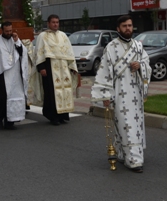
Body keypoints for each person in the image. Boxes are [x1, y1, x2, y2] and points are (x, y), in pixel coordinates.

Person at [92, 15, 151, 172]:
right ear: (118, 28)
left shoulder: (138, 46)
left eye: (130, 25)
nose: (128, 28)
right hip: (119, 93)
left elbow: (147, 64)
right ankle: (134, 160)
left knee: (134, 125)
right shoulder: (111, 47)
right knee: (125, 124)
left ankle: (123, 153)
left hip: (136, 94)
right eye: (124, 26)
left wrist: (141, 66)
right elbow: (104, 71)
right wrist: (105, 94)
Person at [0, 21, 29, 130]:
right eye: (7, 31)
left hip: (15, 76)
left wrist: (17, 41)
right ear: (2, 30)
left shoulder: (15, 40)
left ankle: (10, 122)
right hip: (1, 75)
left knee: (14, 98)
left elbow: (23, 53)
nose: (9, 33)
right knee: (2, 99)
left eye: (10, 31)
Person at [35, 14, 78, 125]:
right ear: (48, 23)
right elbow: (39, 52)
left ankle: (63, 116)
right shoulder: (42, 36)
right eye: (53, 22)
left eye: (57, 22)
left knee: (64, 91)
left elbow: (69, 51)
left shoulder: (63, 35)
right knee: (51, 93)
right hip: (49, 68)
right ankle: (53, 117)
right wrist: (41, 68)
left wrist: (72, 67)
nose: (55, 24)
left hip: (63, 68)